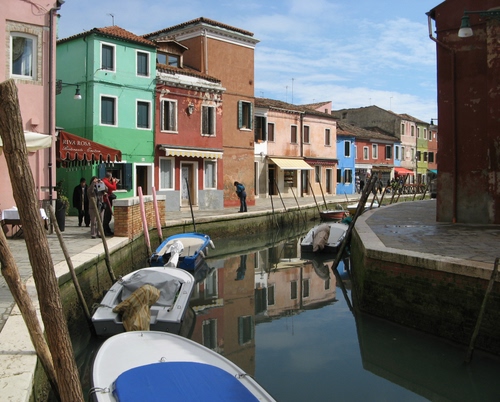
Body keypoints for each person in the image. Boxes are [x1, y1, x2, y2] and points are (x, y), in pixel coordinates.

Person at [102, 172, 119, 236]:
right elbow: (113, 188)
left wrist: (114, 182)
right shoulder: (105, 181)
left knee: (108, 216)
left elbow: (110, 188)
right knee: (107, 216)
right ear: (109, 177)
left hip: (108, 200)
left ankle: (107, 229)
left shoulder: (106, 181)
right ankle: (105, 230)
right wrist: (114, 182)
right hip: (106, 200)